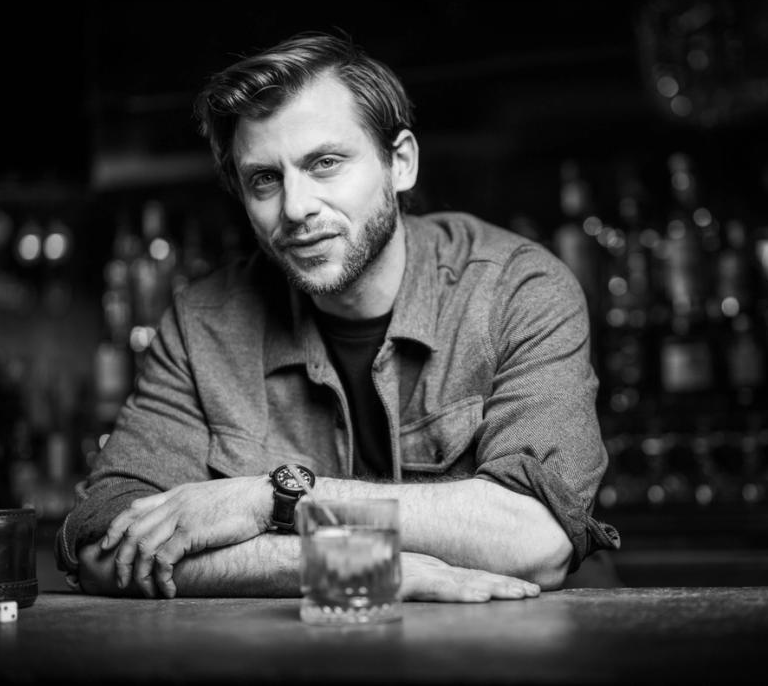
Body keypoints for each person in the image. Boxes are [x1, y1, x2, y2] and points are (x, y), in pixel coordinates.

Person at [56, 31, 619, 602]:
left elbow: (537, 540)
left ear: (399, 163)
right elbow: (105, 546)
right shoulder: (201, 324)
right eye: (265, 179)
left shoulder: (517, 288)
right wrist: (343, 565)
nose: (296, 208)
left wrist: (269, 500)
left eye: (324, 163)